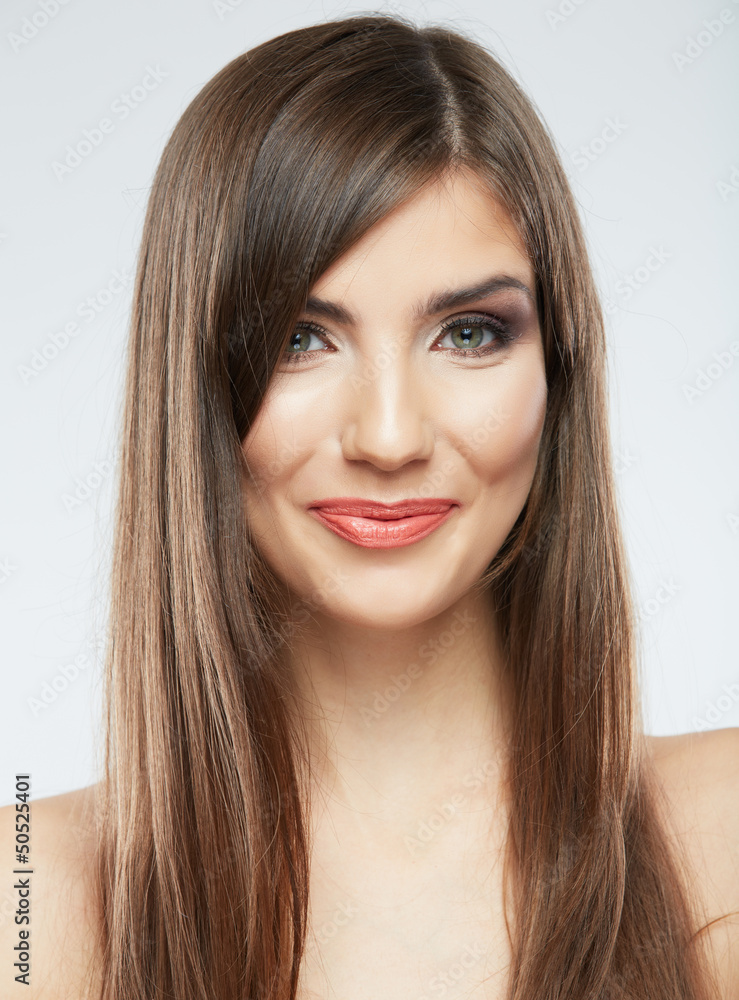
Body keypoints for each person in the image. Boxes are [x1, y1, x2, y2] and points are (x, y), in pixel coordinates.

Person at [2, 12, 737, 1000]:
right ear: (194, 382)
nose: (388, 438)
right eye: (299, 338)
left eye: (468, 333)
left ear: (557, 370)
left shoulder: (724, 844)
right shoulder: (23, 899)